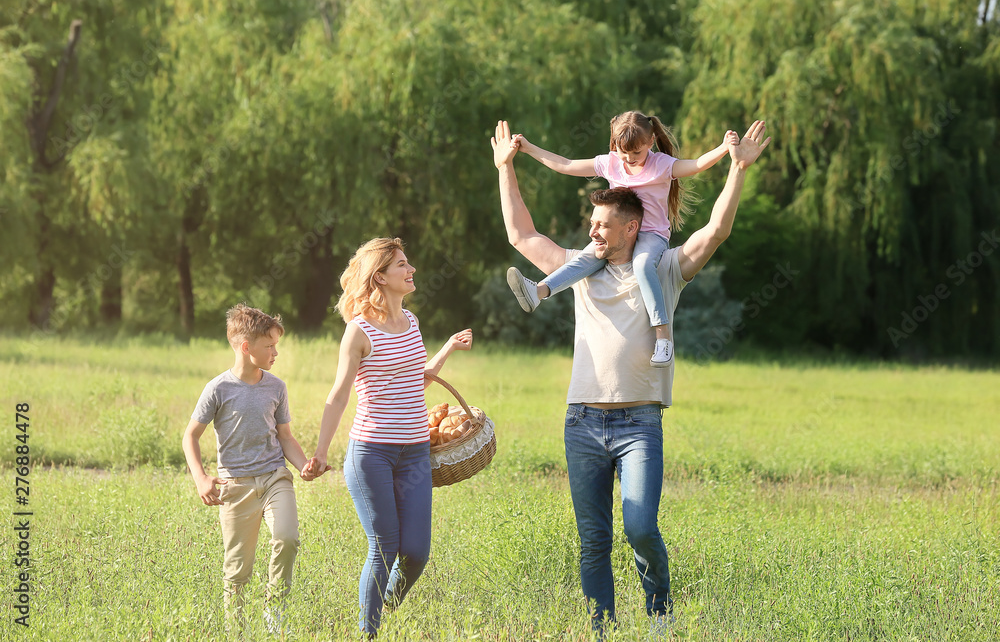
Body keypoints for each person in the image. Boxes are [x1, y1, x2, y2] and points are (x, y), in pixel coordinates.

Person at [491, 119, 770, 636]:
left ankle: (659, 612)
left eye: (601, 226)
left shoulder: (663, 268)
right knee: (593, 538)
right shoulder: (578, 267)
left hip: (639, 423)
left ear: (631, 229)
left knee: (640, 528)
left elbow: (716, 232)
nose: (592, 233)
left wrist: (737, 170)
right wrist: (506, 166)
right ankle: (601, 629)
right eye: (591, 224)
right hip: (582, 421)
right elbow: (521, 234)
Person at [301, 237, 473, 639]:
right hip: (372, 454)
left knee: (415, 552)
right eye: (401, 265)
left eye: (408, 263)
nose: (411, 270)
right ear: (380, 277)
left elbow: (416, 379)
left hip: (414, 453)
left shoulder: (410, 322)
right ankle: (369, 631)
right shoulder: (357, 331)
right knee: (384, 547)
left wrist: (447, 347)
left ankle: (379, 606)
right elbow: (339, 393)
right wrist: (322, 452)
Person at [508, 111, 739, 367]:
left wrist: (723, 148)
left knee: (642, 265)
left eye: (636, 153)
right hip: (617, 234)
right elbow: (566, 164)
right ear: (614, 145)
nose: (628, 159)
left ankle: (662, 338)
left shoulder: (661, 164)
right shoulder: (610, 163)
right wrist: (529, 149)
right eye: (622, 152)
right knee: (588, 257)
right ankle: (539, 291)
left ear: (650, 142)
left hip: (651, 235)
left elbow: (695, 165)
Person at [182, 303, 325, 635]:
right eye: (270, 346)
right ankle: (237, 631)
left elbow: (285, 437)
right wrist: (201, 478)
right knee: (237, 570)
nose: (276, 352)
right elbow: (190, 436)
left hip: (275, 477)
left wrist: (303, 465)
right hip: (235, 485)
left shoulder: (276, 387)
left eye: (277, 345)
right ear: (246, 348)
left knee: (287, 538)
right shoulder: (218, 389)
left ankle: (274, 613)